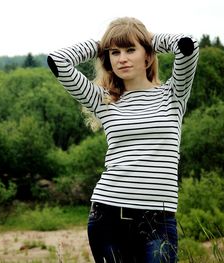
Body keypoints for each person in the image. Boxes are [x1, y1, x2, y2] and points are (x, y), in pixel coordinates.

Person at [47, 17, 199, 263]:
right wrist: (102, 44)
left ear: (148, 56)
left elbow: (188, 45)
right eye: (114, 52)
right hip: (108, 217)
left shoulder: (173, 94)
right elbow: (57, 61)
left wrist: (148, 39)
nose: (122, 58)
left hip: (158, 221)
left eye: (130, 50)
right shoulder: (103, 100)